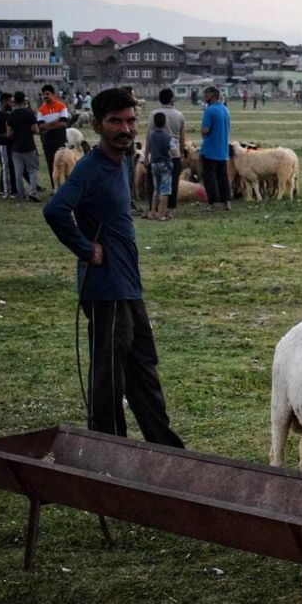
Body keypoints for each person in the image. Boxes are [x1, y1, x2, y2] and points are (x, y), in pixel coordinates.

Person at [43, 88, 183, 448]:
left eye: (131, 120)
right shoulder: (90, 167)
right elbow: (55, 210)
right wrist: (86, 249)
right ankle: (108, 451)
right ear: (97, 124)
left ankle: (165, 448)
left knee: (143, 370)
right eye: (116, 121)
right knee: (108, 376)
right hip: (105, 290)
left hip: (128, 286)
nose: (125, 128)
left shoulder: (121, 161)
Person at [147, 88, 187, 217]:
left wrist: (147, 153)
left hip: (157, 154)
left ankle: (153, 209)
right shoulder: (179, 115)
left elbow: (149, 135)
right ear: (172, 99)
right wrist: (181, 153)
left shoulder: (153, 114)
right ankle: (169, 210)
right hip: (173, 154)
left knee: (154, 184)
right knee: (172, 183)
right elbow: (182, 137)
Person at [199, 85, 232, 211]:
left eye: (206, 95)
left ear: (212, 96)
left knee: (209, 176)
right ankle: (227, 201)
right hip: (223, 149)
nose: (204, 98)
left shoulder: (209, 110)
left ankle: (212, 203)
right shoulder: (225, 109)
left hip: (210, 149)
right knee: (223, 176)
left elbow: (205, 129)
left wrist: (202, 132)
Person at [7, 91, 41, 202]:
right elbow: (36, 130)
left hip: (16, 147)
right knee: (32, 169)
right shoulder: (29, 113)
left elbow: (8, 134)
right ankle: (33, 192)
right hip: (29, 146)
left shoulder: (10, 115)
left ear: (14, 101)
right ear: (24, 101)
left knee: (18, 171)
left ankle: (21, 194)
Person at [142, 111, 176, 221]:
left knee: (156, 189)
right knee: (165, 190)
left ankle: (152, 212)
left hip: (154, 163)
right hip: (165, 164)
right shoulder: (168, 137)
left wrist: (147, 158)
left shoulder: (151, 135)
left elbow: (147, 147)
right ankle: (161, 214)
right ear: (165, 123)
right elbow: (174, 151)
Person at [37, 84, 70, 189]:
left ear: (53, 95)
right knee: (51, 164)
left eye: (47, 94)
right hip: (47, 141)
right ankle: (54, 187)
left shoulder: (61, 106)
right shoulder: (41, 110)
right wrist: (56, 121)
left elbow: (63, 123)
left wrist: (48, 127)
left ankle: (64, 187)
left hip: (60, 140)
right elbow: (40, 126)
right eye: (44, 94)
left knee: (63, 164)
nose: (45, 96)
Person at [0, 93, 17, 198]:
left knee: (11, 167)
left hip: (11, 144)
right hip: (4, 145)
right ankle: (6, 192)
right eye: (10, 101)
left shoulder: (9, 114)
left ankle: (10, 188)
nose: (12, 103)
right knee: (6, 168)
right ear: (4, 102)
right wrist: (8, 135)